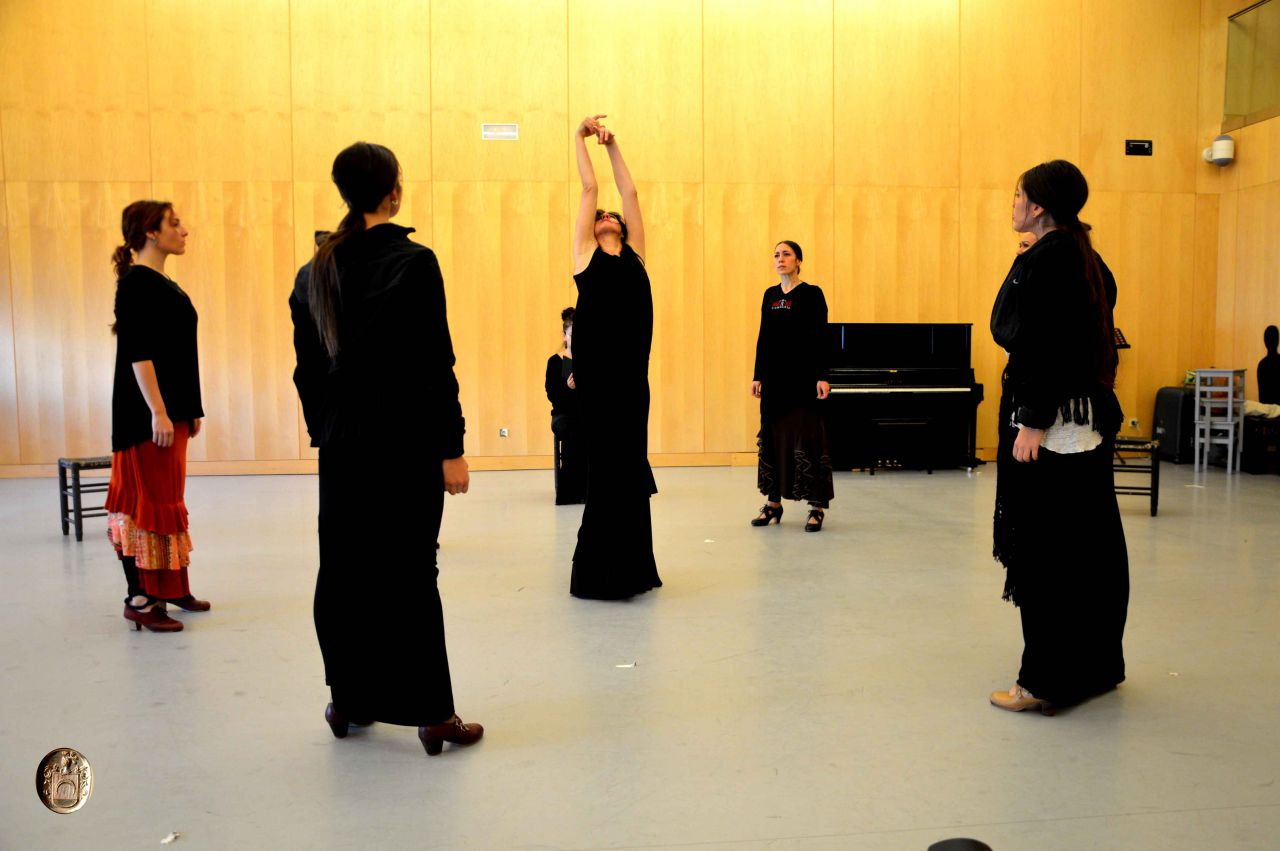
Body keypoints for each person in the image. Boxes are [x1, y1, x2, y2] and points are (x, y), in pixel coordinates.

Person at [290, 141, 482, 755]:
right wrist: (451, 447)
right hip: (405, 446)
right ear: (392, 192)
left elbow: (307, 372)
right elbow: (434, 365)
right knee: (410, 575)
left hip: (344, 448)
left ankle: (348, 698)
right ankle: (432, 714)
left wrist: (327, 430)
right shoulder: (414, 262)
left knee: (344, 572)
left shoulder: (314, 270)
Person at [989, 159, 1128, 714]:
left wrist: (1032, 420)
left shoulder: (1049, 259)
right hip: (1086, 422)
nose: (1013, 203)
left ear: (1039, 206)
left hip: (1053, 426)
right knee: (1089, 549)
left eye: (1019, 194)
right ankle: (1095, 668)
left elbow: (1038, 342)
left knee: (1046, 554)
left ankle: (1041, 682)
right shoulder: (1083, 255)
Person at [568, 115, 662, 599]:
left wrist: (614, 143)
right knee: (604, 470)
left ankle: (633, 569)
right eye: (600, 214)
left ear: (621, 227)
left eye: (611, 215)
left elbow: (631, 193)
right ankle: (598, 572)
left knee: (629, 468)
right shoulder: (585, 256)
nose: (606, 214)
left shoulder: (636, 257)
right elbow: (590, 188)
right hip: (598, 384)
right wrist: (578, 136)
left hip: (632, 384)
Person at [105, 200, 208, 633]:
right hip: (147, 416)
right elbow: (138, 354)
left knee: (168, 501)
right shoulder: (135, 284)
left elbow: (179, 354)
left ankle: (171, 586)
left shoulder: (164, 283)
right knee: (147, 505)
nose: (184, 230)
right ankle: (142, 598)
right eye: (174, 223)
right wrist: (160, 412)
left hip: (171, 414)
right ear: (150, 232)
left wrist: (189, 410)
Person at [749, 240, 834, 531]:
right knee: (773, 439)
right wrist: (758, 374)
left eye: (786, 254)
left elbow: (822, 336)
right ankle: (773, 504)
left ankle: (816, 507)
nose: (780, 259)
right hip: (775, 381)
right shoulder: (770, 296)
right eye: (776, 255)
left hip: (804, 380)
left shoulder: (812, 294)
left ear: (798, 260)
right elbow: (764, 336)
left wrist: (822, 375)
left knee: (808, 439)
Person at [546, 307, 586, 504]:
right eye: (573, 334)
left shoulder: (589, 362)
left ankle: (593, 489)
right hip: (563, 415)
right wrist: (569, 387)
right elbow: (553, 396)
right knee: (574, 430)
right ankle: (570, 491)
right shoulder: (555, 362)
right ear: (565, 336)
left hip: (585, 413)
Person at [1259, 325, 1279, 405]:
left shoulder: (1262, 365)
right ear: (1278, 341)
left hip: (1266, 411)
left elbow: (1262, 398)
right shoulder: (1262, 364)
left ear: (1265, 342)